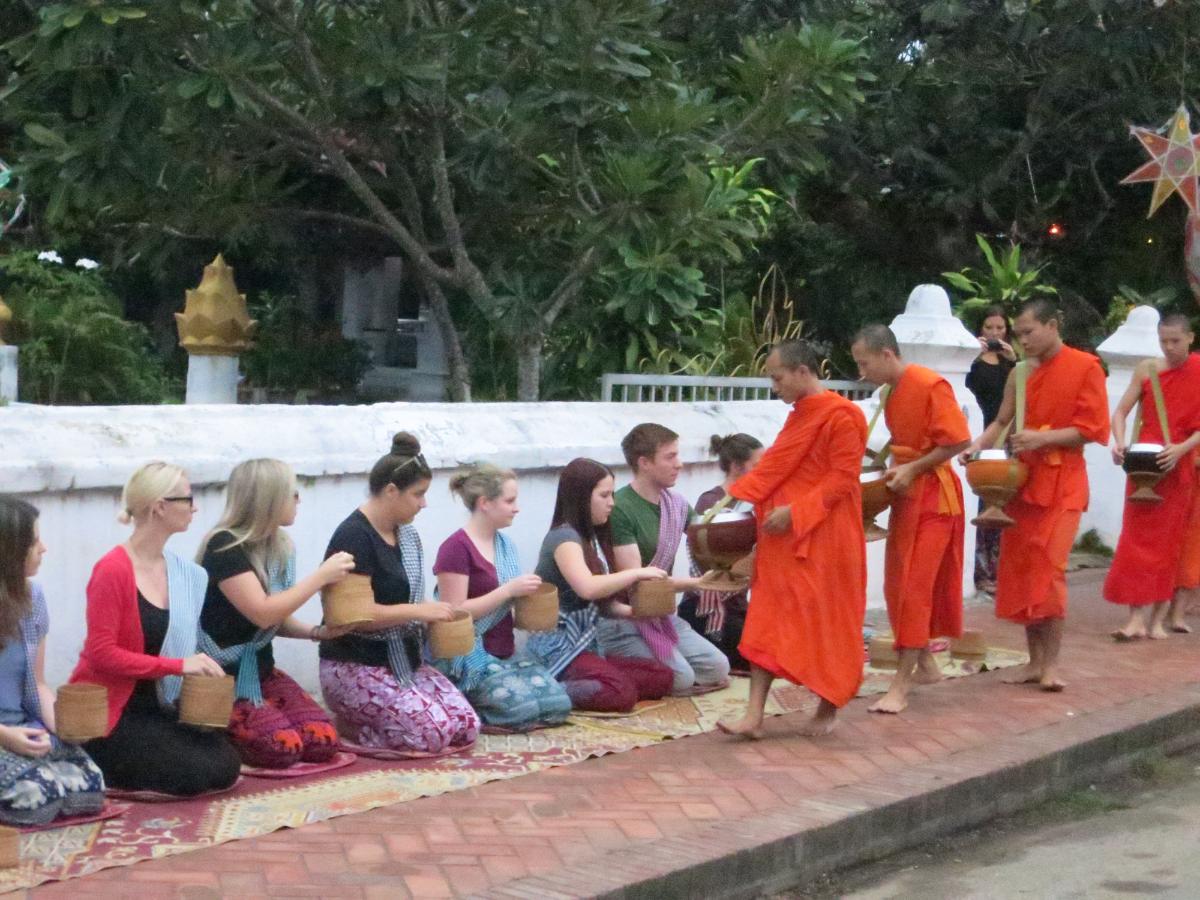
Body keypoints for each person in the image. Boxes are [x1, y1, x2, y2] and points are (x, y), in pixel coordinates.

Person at [717, 339, 868, 739]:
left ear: (803, 372)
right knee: (766, 618)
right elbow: (776, 468)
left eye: (777, 377)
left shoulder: (843, 415)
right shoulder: (801, 415)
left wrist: (797, 513)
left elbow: (842, 479)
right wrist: (729, 500)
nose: (774, 385)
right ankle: (754, 715)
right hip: (782, 537)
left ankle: (828, 704)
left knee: (828, 620)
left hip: (827, 536)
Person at [959, 299, 1110, 692]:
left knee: (1050, 571)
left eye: (1028, 332)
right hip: (1022, 483)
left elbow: (1092, 428)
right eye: (1019, 333)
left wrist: (1043, 438)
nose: (1021, 340)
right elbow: (1002, 420)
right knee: (1024, 572)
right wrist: (977, 446)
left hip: (1063, 484)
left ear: (1053, 325)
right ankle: (1033, 661)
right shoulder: (1020, 373)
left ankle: (1052, 666)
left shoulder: (1085, 367)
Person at [72, 463, 242, 796]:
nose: (194, 507)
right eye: (187, 499)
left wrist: (196, 666)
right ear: (160, 507)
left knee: (225, 763)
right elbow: (101, 654)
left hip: (157, 705)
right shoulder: (112, 569)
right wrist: (179, 665)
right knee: (191, 774)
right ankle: (99, 764)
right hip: (112, 712)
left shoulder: (179, 570)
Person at [318, 433, 480, 755]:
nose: (424, 503)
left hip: (403, 663)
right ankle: (353, 728)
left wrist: (431, 613)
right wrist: (419, 611)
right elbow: (353, 618)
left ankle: (386, 717)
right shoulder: (354, 536)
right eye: (418, 495)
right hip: (353, 664)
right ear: (391, 491)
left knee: (466, 725)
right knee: (430, 734)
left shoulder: (406, 535)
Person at [196, 459, 356, 768]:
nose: (298, 500)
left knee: (322, 740)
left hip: (262, 670)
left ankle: (255, 723)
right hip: (221, 677)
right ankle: (218, 730)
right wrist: (320, 577)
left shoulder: (279, 545)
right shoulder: (225, 546)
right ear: (268, 498)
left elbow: (276, 618)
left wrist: (316, 632)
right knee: (281, 749)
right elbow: (263, 613)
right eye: (292, 493)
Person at [851, 325, 971, 714]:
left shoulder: (928, 383)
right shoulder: (890, 392)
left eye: (864, 363)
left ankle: (900, 686)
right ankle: (926, 665)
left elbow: (958, 441)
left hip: (934, 498)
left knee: (915, 589)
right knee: (897, 585)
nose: (861, 373)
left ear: (887, 355)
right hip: (907, 493)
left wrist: (914, 468)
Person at [528, 458, 675, 713]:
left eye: (612, 495)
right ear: (581, 498)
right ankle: (548, 690)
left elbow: (601, 605)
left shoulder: (591, 538)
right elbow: (588, 588)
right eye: (604, 495)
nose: (612, 503)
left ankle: (600, 682)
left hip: (587, 643)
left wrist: (634, 612)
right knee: (621, 694)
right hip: (558, 647)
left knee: (661, 675)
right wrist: (636, 574)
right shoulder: (564, 538)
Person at [432, 464, 572, 731]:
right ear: (485, 503)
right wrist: (508, 591)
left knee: (558, 704)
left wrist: (533, 603)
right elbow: (453, 612)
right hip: (468, 655)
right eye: (509, 501)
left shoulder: (506, 544)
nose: (516, 508)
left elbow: (513, 607)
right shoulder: (455, 548)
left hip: (504, 653)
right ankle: (463, 704)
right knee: (521, 710)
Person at [599, 424, 732, 695]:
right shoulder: (621, 508)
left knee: (718, 667)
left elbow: (708, 541)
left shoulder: (677, 504)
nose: (679, 464)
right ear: (644, 463)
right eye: (670, 457)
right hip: (624, 617)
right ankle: (604, 662)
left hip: (661, 614)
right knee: (681, 678)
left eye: (677, 455)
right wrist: (698, 583)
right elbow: (639, 583)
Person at [0, 496, 105, 826]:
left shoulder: (34, 599)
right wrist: (4, 736)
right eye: (33, 542)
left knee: (87, 790)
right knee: (35, 800)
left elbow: (38, 683)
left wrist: (63, 725)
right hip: (4, 733)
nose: (43, 548)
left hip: (23, 727)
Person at [1104, 315, 1200, 639]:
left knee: (1170, 544)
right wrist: (1119, 443)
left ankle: (1157, 618)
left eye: (1175, 340)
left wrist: (1182, 448)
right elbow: (1120, 412)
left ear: (1190, 337)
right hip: (1144, 466)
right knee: (1135, 541)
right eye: (1163, 341)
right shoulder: (1147, 370)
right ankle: (1135, 618)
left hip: (1177, 467)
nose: (1169, 347)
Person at [678, 434, 763, 673]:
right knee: (765, 657)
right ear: (737, 466)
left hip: (737, 606)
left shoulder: (754, 502)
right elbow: (710, 562)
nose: (763, 471)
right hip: (707, 609)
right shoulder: (711, 503)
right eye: (757, 465)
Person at [964, 306, 1017, 596]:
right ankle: (980, 571)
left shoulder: (1011, 364)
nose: (995, 334)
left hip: (1005, 438)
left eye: (1000, 328)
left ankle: (998, 570)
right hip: (981, 435)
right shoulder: (971, 361)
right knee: (982, 506)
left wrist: (1012, 360)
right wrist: (972, 355)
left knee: (1002, 505)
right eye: (989, 328)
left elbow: (1020, 394)